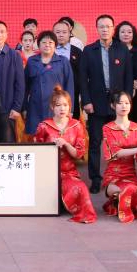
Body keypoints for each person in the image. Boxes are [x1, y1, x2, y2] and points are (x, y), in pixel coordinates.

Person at [78, 14, 134, 193]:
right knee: (95, 142)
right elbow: (82, 79)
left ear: (113, 28)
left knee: (120, 142)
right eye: (101, 26)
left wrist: (126, 101)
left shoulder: (122, 49)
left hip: (118, 104)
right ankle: (95, 179)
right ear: (97, 29)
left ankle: (119, 177)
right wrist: (86, 101)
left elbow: (129, 76)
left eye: (108, 26)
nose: (105, 29)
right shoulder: (89, 50)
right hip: (96, 103)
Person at [32, 85, 96, 223]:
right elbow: (37, 152)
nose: (62, 109)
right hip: (47, 172)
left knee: (81, 188)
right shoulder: (44, 126)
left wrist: (66, 144)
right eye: (58, 105)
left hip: (68, 172)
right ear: (52, 107)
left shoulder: (76, 125)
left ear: (70, 106)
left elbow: (78, 154)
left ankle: (82, 214)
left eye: (65, 105)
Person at [102, 91, 137, 223]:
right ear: (113, 105)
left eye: (127, 103)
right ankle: (117, 200)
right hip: (113, 176)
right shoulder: (108, 128)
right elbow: (116, 152)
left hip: (131, 175)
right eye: (120, 103)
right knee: (129, 189)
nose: (124, 106)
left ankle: (118, 202)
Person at [23, 31, 74, 136]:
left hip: (56, 107)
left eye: (50, 42)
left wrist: (69, 109)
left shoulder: (63, 62)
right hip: (35, 107)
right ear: (38, 45)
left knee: (55, 136)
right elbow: (25, 86)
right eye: (44, 42)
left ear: (55, 45)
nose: (47, 45)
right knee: (36, 136)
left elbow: (69, 86)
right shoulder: (32, 61)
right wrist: (24, 107)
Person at [53, 20, 84, 116]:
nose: (61, 35)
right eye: (58, 32)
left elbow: (81, 75)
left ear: (70, 34)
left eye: (64, 32)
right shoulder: (48, 50)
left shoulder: (77, 52)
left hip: (72, 95)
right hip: (52, 95)